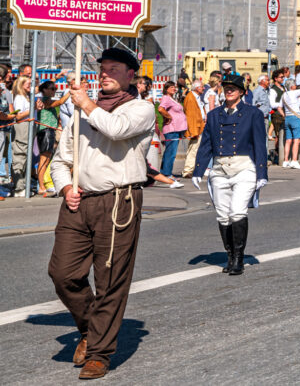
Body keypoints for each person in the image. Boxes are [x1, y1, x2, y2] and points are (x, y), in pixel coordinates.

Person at [47, 48, 154, 379]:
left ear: (131, 75)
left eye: (113, 68)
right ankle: (90, 328)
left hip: (118, 200)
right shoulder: (83, 112)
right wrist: (66, 187)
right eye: (102, 69)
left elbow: (116, 129)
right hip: (79, 201)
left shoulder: (141, 108)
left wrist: (85, 104)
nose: (105, 73)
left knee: (110, 280)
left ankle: (99, 353)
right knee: (62, 273)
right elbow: (60, 161)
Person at [192, 73, 268, 276]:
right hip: (219, 169)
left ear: (242, 92)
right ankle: (230, 255)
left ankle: (239, 259)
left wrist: (262, 173)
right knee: (223, 215)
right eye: (226, 88)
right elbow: (206, 143)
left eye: (233, 88)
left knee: (237, 212)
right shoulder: (214, 115)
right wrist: (198, 170)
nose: (229, 90)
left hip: (244, 168)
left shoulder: (253, 114)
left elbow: (260, 144)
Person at [155, 81, 187, 178]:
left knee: (169, 152)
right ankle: (167, 173)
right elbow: (160, 109)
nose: (174, 88)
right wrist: (168, 116)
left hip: (176, 129)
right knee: (171, 153)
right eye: (172, 87)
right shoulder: (166, 98)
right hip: (172, 129)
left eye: (174, 87)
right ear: (167, 89)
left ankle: (165, 172)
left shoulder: (171, 99)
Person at [9, 75, 31, 197]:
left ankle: (23, 184)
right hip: (22, 127)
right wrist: (32, 109)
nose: (31, 86)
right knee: (20, 155)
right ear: (21, 85)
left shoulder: (27, 97)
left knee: (26, 156)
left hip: (28, 127)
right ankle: (18, 187)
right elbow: (18, 116)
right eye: (28, 84)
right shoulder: (19, 98)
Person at [181, 80, 206, 179]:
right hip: (195, 128)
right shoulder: (191, 97)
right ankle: (188, 171)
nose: (203, 88)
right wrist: (193, 131)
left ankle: (191, 169)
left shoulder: (196, 97)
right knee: (193, 150)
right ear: (197, 88)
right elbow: (190, 116)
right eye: (202, 87)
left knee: (195, 150)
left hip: (200, 126)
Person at [281, 81, 300, 168]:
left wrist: (284, 115)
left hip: (287, 118)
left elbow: (279, 107)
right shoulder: (294, 93)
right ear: (292, 86)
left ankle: (285, 161)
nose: (296, 86)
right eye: (295, 85)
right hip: (295, 117)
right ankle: (294, 160)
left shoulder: (284, 95)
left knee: (288, 140)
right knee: (296, 140)